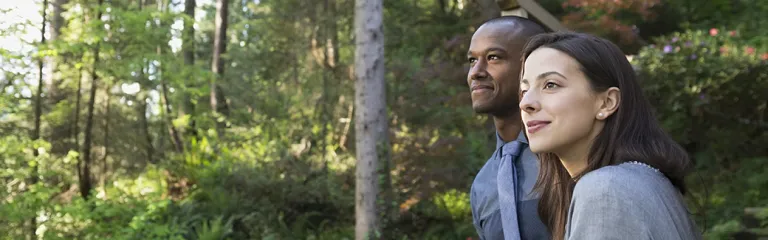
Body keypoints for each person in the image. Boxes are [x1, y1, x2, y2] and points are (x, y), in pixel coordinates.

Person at [518, 32, 702, 240]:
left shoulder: (605, 190)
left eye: (551, 85)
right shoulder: (642, 181)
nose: (526, 103)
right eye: (525, 90)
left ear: (607, 102)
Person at [467, 16, 551, 240]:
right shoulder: (482, 185)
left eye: (493, 57)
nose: (476, 72)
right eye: (472, 60)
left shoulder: (570, 160)